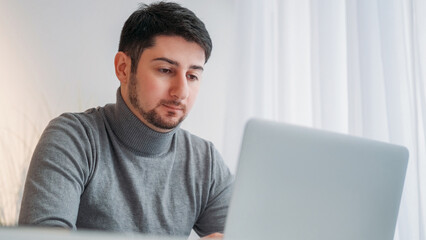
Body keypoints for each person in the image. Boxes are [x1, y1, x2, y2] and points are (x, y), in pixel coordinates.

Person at [18, 2, 233, 239]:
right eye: (165, 70)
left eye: (192, 76)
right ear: (123, 68)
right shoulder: (73, 139)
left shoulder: (206, 162)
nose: (181, 91)